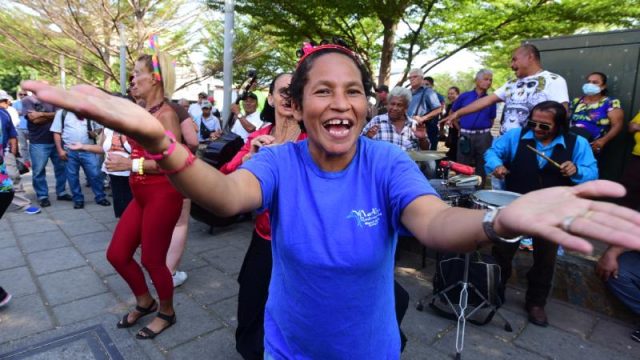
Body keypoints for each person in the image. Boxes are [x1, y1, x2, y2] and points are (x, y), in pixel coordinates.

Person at [23, 43, 640, 359]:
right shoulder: (278, 160)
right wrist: (162, 143)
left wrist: (496, 219)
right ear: (298, 103)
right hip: (285, 343)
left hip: (369, 348)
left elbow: (433, 220)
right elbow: (226, 193)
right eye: (323, 90)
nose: (339, 103)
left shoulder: (387, 162)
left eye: (353, 92)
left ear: (368, 106)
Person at [485, 101, 598, 327]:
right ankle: (495, 292)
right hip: (515, 207)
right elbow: (492, 152)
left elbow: (592, 173)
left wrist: (576, 171)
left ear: (559, 125)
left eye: (544, 126)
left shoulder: (577, 143)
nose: (537, 129)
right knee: (502, 252)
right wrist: (496, 165)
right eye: (533, 123)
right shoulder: (517, 136)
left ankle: (536, 303)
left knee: (545, 260)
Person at [220, 73, 307, 360]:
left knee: (297, 315)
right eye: (282, 91)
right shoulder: (257, 138)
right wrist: (250, 161)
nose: (288, 96)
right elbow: (224, 184)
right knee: (250, 308)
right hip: (263, 239)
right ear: (269, 97)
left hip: (302, 244)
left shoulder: (313, 140)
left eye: (295, 90)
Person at [105, 51, 184, 340]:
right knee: (116, 254)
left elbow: (174, 163)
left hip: (163, 194)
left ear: (156, 78)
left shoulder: (167, 115)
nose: (133, 79)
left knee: (153, 260)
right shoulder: (142, 110)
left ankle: (167, 312)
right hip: (140, 194)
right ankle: (144, 301)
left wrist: (130, 164)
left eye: (138, 73)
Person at [444, 44, 569, 135]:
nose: (511, 65)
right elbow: (486, 101)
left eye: (514, 59)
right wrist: (457, 113)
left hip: (533, 147)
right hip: (506, 145)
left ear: (530, 57)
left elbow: (562, 115)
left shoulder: (554, 80)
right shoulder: (511, 84)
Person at [20, 89, 71, 207]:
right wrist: (53, 116)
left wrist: (41, 114)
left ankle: (61, 192)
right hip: (38, 141)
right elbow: (34, 119)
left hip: (57, 140)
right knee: (38, 170)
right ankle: (42, 195)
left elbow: (60, 115)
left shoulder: (54, 100)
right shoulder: (28, 100)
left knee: (61, 168)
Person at [50, 109, 111, 209]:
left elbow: (99, 128)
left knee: (95, 174)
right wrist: (60, 150)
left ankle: (100, 197)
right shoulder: (62, 113)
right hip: (69, 150)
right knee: (72, 176)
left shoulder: (90, 111)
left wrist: (94, 133)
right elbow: (56, 132)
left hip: (89, 149)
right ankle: (78, 199)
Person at [451, 69, 497, 179]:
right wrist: (459, 129)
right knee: (462, 165)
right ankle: (462, 192)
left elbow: (492, 119)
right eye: (486, 79)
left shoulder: (491, 99)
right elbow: (453, 113)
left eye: (490, 80)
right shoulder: (464, 96)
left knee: (482, 165)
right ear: (476, 80)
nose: (489, 82)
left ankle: (479, 192)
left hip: (484, 137)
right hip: (465, 135)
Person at [0, 92, 40, 214]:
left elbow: (12, 132)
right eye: (5, 101)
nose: (8, 103)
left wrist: (13, 151)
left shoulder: (4, 113)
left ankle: (22, 204)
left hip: (4, 153)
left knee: (13, 177)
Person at [569, 72, 624, 159]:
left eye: (595, 82)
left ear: (603, 86)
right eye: (588, 82)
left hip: (592, 147)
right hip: (571, 143)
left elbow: (617, 125)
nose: (590, 84)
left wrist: (603, 141)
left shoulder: (610, 103)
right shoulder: (577, 101)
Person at [362, 86, 429, 151]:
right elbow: (359, 145)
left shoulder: (414, 125)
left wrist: (422, 139)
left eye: (399, 105)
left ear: (406, 107)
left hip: (407, 162)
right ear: (388, 105)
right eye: (392, 104)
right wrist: (367, 137)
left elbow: (426, 151)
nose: (394, 108)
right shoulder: (377, 121)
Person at [407, 69, 441, 150]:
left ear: (422, 78)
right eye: (410, 78)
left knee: (427, 158)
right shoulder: (407, 93)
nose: (412, 79)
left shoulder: (428, 92)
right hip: (408, 129)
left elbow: (438, 109)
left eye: (415, 77)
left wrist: (423, 118)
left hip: (424, 129)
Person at [444, 86, 461, 161]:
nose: (450, 96)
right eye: (449, 94)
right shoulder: (450, 105)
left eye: (452, 93)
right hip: (452, 131)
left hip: (459, 130)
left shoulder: (461, 105)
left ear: (458, 94)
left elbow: (454, 118)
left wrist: (459, 129)